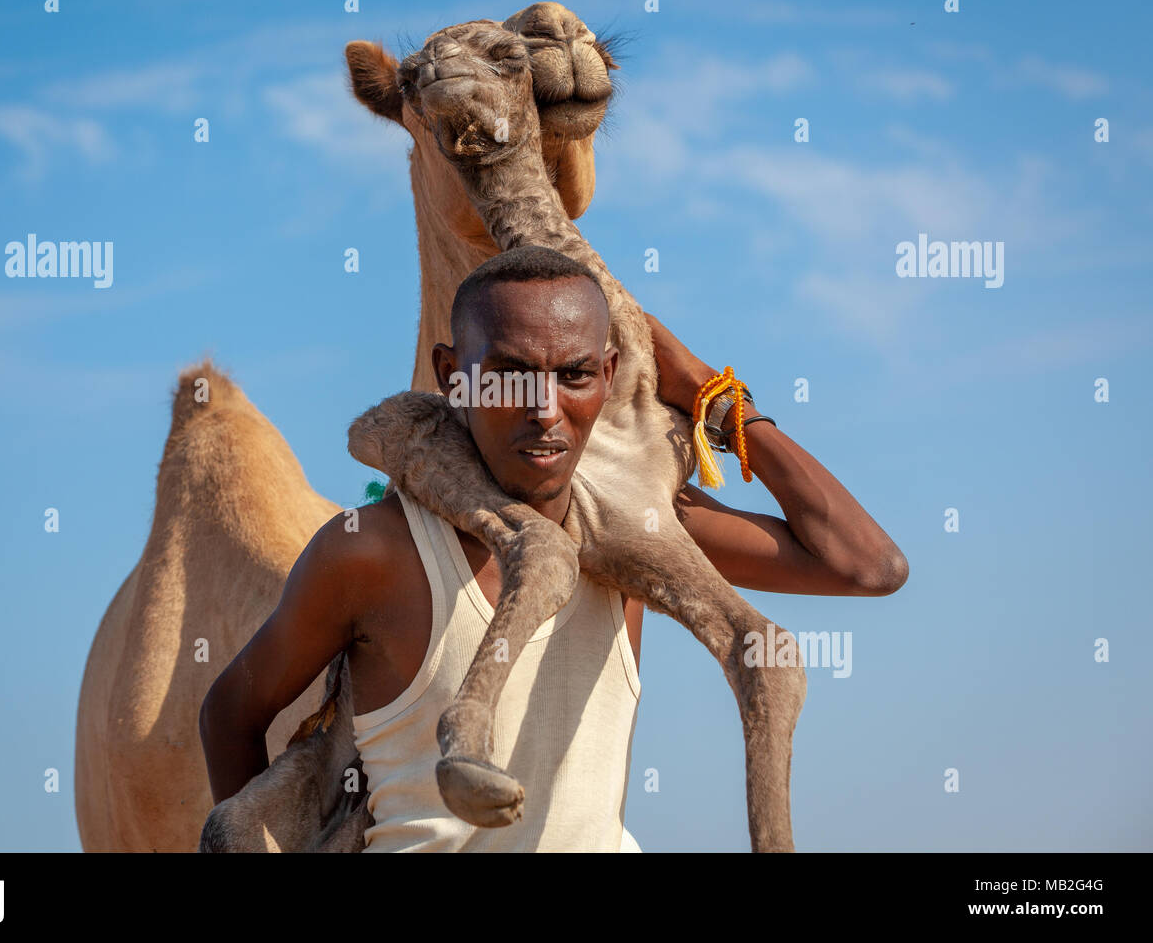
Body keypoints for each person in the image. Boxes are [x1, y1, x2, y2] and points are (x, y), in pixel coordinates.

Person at [199, 245, 907, 852]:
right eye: (510, 373)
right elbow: (231, 709)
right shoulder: (375, 552)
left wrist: (712, 395)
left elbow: (866, 564)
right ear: (453, 375)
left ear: (609, 374)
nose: (544, 408)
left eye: (573, 374)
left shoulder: (640, 528)